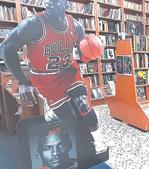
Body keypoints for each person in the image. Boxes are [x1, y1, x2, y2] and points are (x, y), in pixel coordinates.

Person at [0, 0, 106, 167]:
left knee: (84, 106)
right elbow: (6, 48)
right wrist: (22, 81)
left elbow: (82, 54)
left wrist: (92, 50)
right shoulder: (33, 24)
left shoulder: (76, 25)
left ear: (65, 4)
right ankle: (67, 135)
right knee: (69, 117)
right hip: (45, 78)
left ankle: (98, 142)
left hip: (69, 71)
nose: (50, 2)